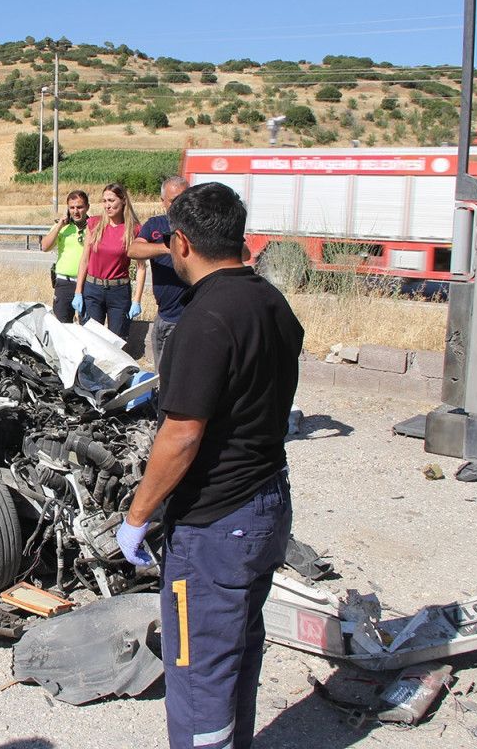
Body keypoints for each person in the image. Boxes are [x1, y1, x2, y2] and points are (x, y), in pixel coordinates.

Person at [115, 183, 304, 749]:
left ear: (180, 242)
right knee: (237, 651)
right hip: (267, 503)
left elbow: (182, 435)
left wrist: (137, 516)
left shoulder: (205, 319)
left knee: (199, 670)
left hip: (215, 523)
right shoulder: (271, 302)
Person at [129, 176, 190, 369]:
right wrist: (167, 248)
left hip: (188, 318)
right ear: (162, 201)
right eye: (173, 201)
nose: (179, 205)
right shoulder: (156, 225)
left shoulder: (198, 226)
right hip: (163, 315)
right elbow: (133, 250)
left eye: (184, 199)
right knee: (161, 374)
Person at [72, 182, 146, 337]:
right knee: (91, 338)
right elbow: (84, 259)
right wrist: (78, 292)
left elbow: (141, 267)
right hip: (93, 289)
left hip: (119, 292)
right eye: (104, 201)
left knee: (116, 340)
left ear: (123, 200)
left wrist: (137, 300)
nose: (107, 205)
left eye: (111, 201)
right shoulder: (94, 224)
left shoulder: (134, 229)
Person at [39, 190, 90, 323]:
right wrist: (59, 225)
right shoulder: (62, 226)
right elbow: (44, 247)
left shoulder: (93, 227)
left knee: (87, 326)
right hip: (64, 283)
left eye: (79, 207)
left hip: (87, 283)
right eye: (72, 208)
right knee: (62, 326)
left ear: (87, 207)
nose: (75, 211)